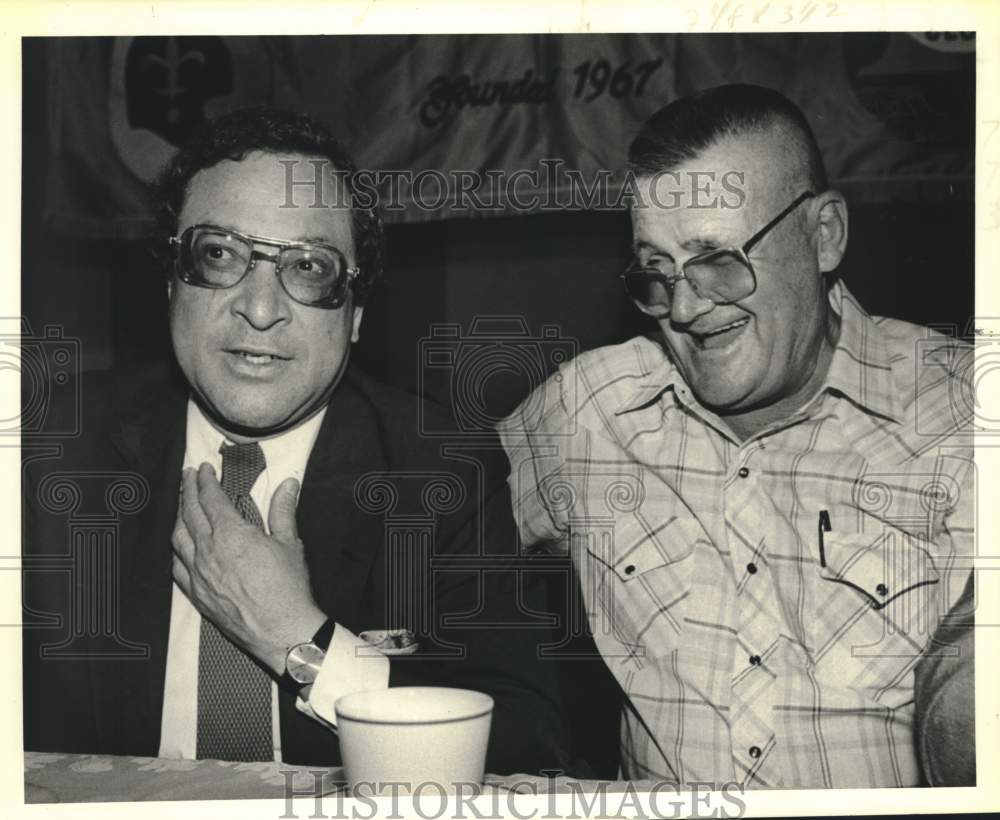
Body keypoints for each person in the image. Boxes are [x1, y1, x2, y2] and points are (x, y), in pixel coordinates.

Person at [22, 107, 569, 773]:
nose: (259, 307)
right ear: (171, 282)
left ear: (357, 310)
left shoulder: (444, 471)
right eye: (219, 254)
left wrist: (301, 642)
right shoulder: (42, 446)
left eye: (308, 267)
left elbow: (524, 742)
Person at [498, 84, 974, 789]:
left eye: (718, 260)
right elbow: (436, 557)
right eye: (656, 272)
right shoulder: (587, 410)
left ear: (824, 234)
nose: (684, 308)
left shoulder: (967, 414)